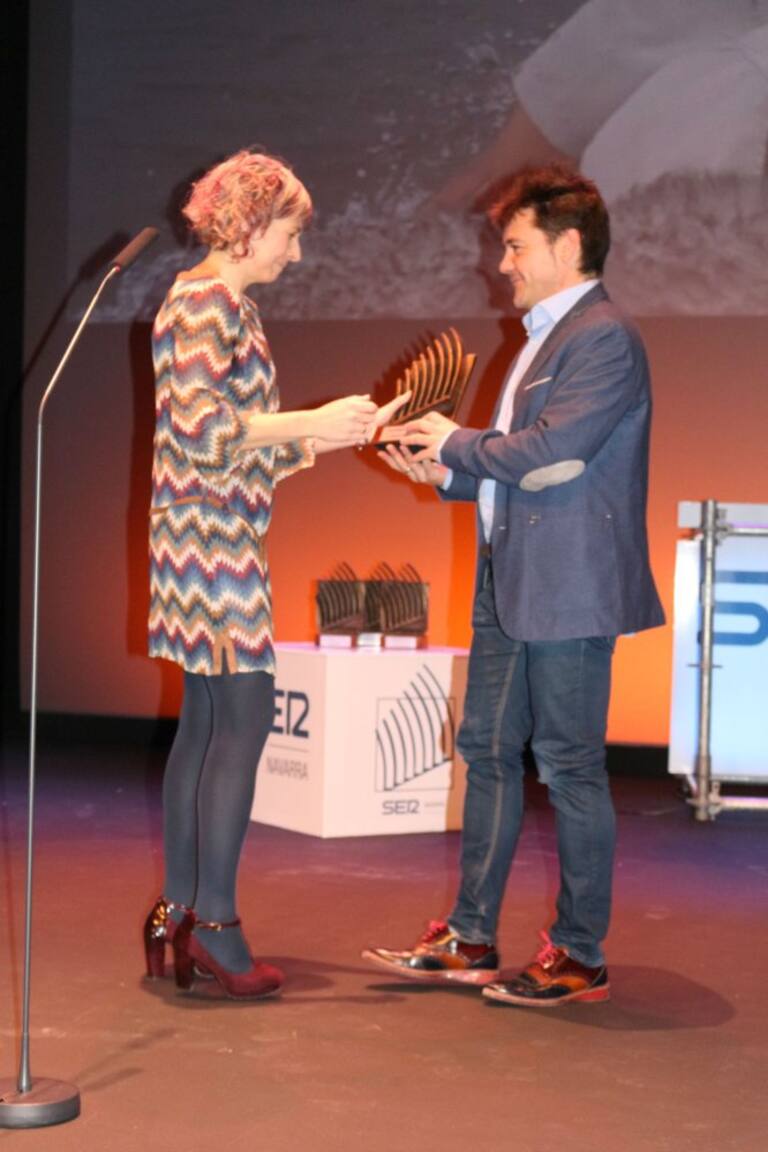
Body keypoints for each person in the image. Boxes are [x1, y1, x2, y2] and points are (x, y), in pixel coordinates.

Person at [363, 164, 664, 1007]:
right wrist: (442, 472)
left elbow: (554, 453)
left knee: (568, 765)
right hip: (511, 577)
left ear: (568, 247)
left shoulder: (603, 337)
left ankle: (580, 954)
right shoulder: (541, 338)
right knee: (487, 752)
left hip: (568, 587)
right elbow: (514, 470)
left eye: (516, 246)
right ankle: (470, 936)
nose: (503, 263)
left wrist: (452, 442)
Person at [143, 149, 406, 999]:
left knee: (207, 721)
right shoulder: (208, 305)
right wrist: (311, 419)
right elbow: (206, 433)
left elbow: (239, 443)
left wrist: (332, 432)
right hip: (210, 543)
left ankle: (179, 911)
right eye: (290, 233)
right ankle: (215, 926)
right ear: (249, 226)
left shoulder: (211, 303)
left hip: (203, 532)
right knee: (243, 715)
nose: (296, 252)